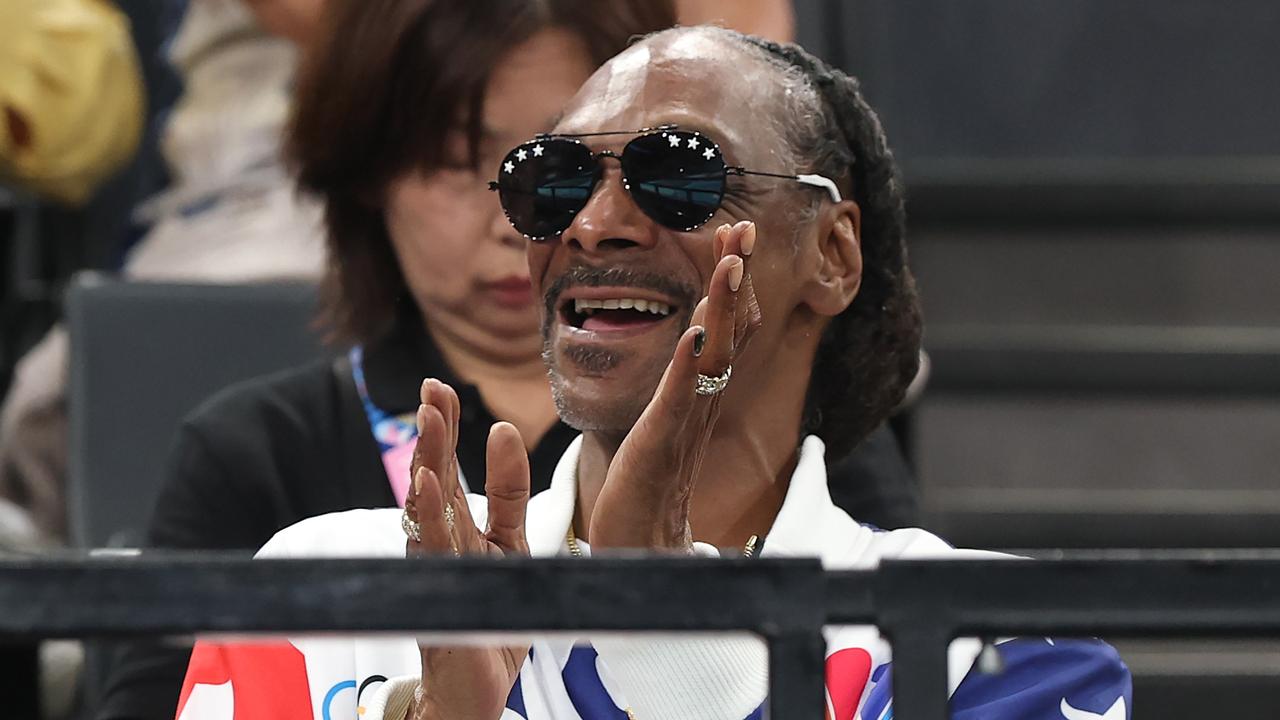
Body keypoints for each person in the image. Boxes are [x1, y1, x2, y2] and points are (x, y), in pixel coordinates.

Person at [173, 25, 1131, 720]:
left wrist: (665, 624)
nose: (592, 224)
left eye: (677, 173)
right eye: (555, 180)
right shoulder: (324, 595)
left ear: (832, 254)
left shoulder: (995, 645)